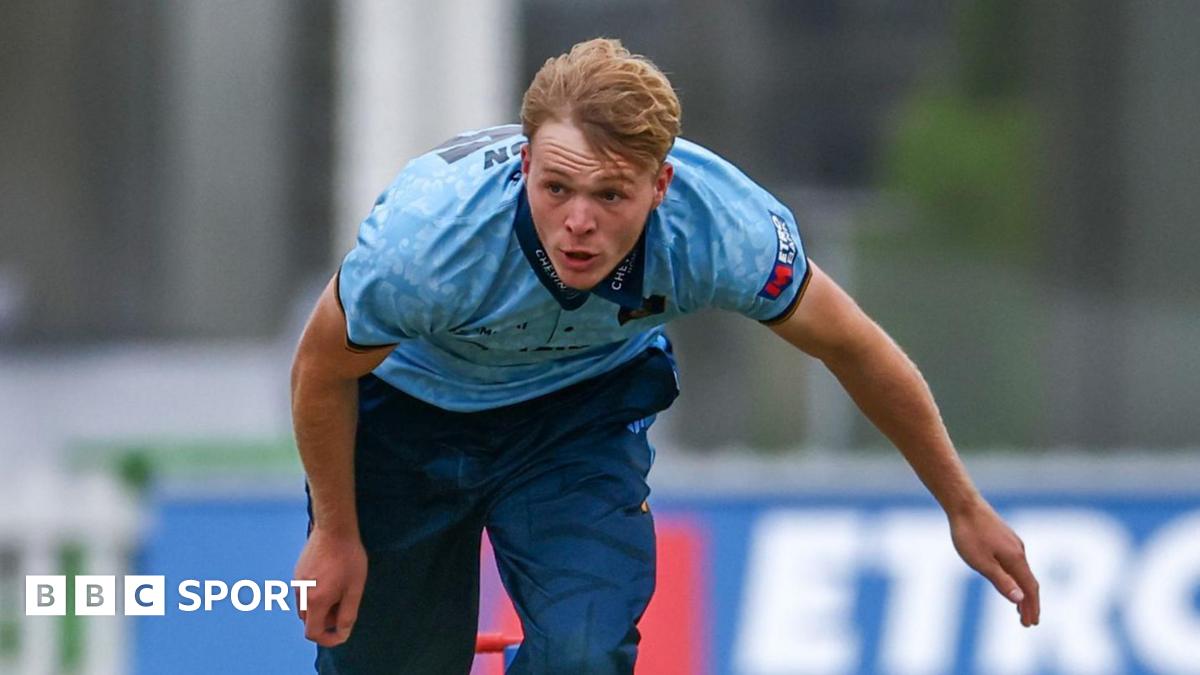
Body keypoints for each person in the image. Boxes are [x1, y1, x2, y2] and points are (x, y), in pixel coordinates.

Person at [291, 37, 1039, 674]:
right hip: (408, 417)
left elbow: (855, 348)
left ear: (661, 186)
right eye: (556, 188)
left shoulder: (722, 228)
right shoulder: (426, 247)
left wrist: (963, 506)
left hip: (575, 418)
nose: (578, 224)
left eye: (611, 196)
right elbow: (321, 369)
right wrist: (335, 531)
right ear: (524, 167)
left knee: (585, 655)